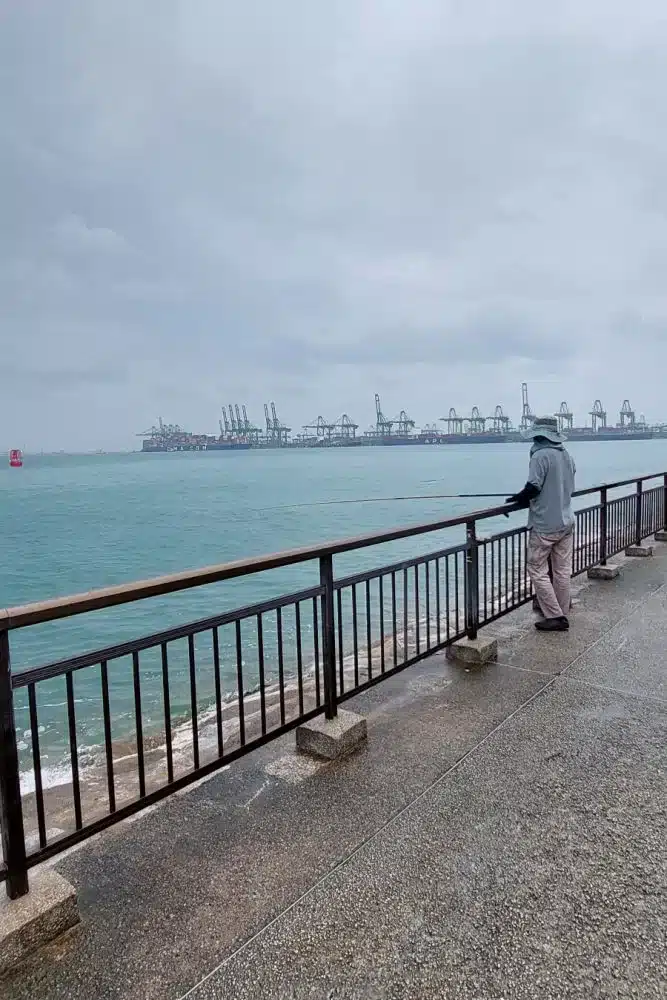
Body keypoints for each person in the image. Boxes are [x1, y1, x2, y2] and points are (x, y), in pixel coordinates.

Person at [506, 416, 576, 632]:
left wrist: (517, 499)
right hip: (566, 521)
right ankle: (561, 611)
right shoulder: (566, 455)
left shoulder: (540, 455)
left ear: (538, 435)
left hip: (545, 524)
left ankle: (555, 616)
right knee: (562, 570)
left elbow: (533, 487)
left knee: (536, 568)